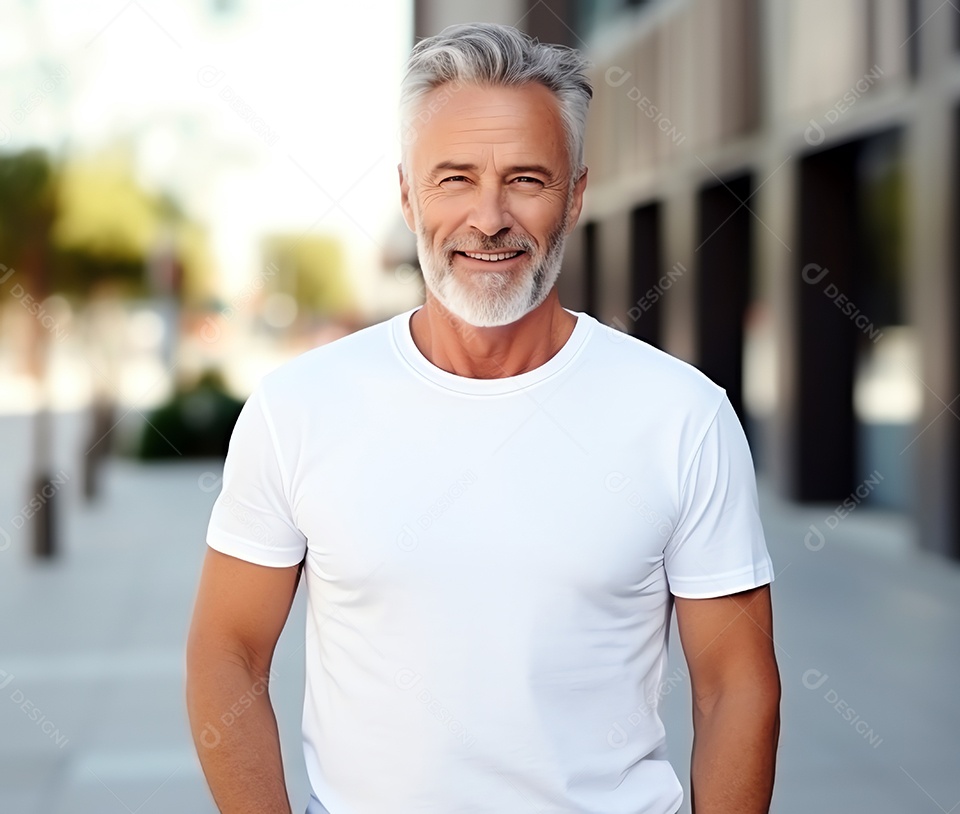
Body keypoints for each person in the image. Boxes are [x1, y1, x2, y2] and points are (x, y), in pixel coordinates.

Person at [186, 22, 780, 814]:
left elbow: (736, 687)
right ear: (406, 193)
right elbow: (226, 654)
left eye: (527, 180)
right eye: (455, 179)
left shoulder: (682, 416)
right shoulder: (298, 408)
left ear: (575, 195)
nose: (489, 218)